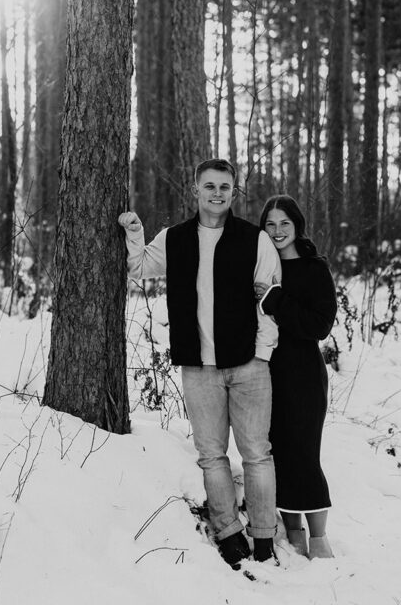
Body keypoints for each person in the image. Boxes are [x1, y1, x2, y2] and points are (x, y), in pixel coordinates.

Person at [119, 159, 282, 569]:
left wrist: (262, 354)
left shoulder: (254, 239)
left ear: (233, 192)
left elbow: (270, 300)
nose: (217, 194)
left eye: (224, 187)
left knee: (257, 455)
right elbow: (139, 267)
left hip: (248, 366)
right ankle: (228, 534)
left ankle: (263, 540)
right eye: (209, 186)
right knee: (211, 456)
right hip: (198, 369)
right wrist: (135, 233)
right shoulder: (174, 239)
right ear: (196, 190)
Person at [257, 194, 337, 561]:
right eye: (270, 224)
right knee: (280, 456)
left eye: (284, 223)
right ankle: (294, 535)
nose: (277, 231)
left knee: (304, 454)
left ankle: (319, 540)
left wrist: (276, 300)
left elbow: (319, 326)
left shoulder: (314, 268)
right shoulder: (261, 268)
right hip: (266, 372)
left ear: (297, 225)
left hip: (304, 375)